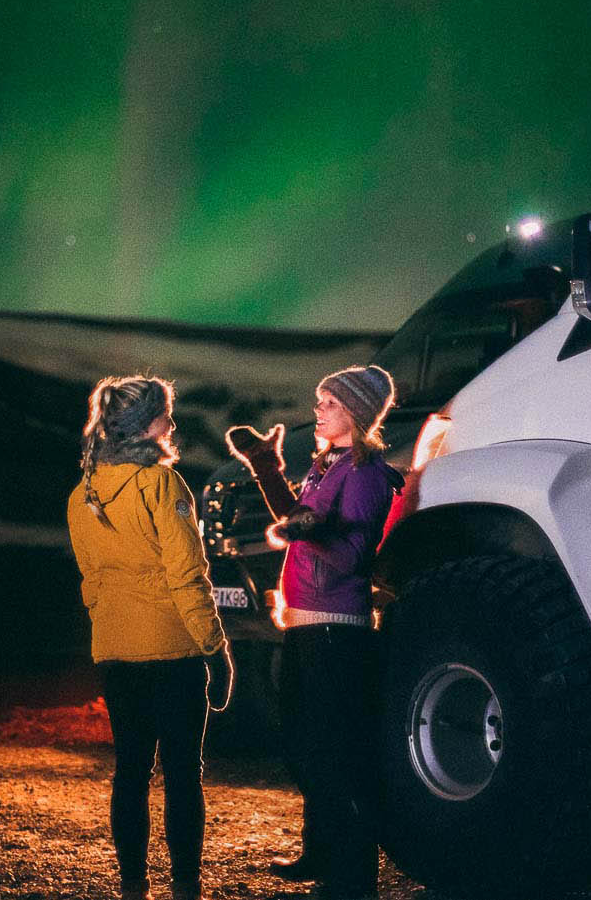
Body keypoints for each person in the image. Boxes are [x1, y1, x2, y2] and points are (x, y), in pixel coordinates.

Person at [226, 365, 403, 900]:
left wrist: (312, 528)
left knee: (336, 750)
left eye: (327, 402)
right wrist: (265, 468)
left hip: (336, 629)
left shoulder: (367, 474)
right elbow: (299, 518)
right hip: (307, 625)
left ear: (354, 411)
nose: (317, 410)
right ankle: (321, 852)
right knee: (305, 743)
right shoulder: (327, 467)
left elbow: (352, 556)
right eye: (319, 400)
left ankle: (352, 876)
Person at [67, 375, 234, 900]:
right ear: (144, 426)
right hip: (172, 651)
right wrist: (216, 649)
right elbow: (187, 576)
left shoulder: (82, 496)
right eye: (164, 413)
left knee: (131, 770)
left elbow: (91, 581)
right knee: (184, 773)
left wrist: (112, 622)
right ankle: (186, 885)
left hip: (115, 652)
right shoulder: (162, 487)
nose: (173, 421)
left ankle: (132, 886)